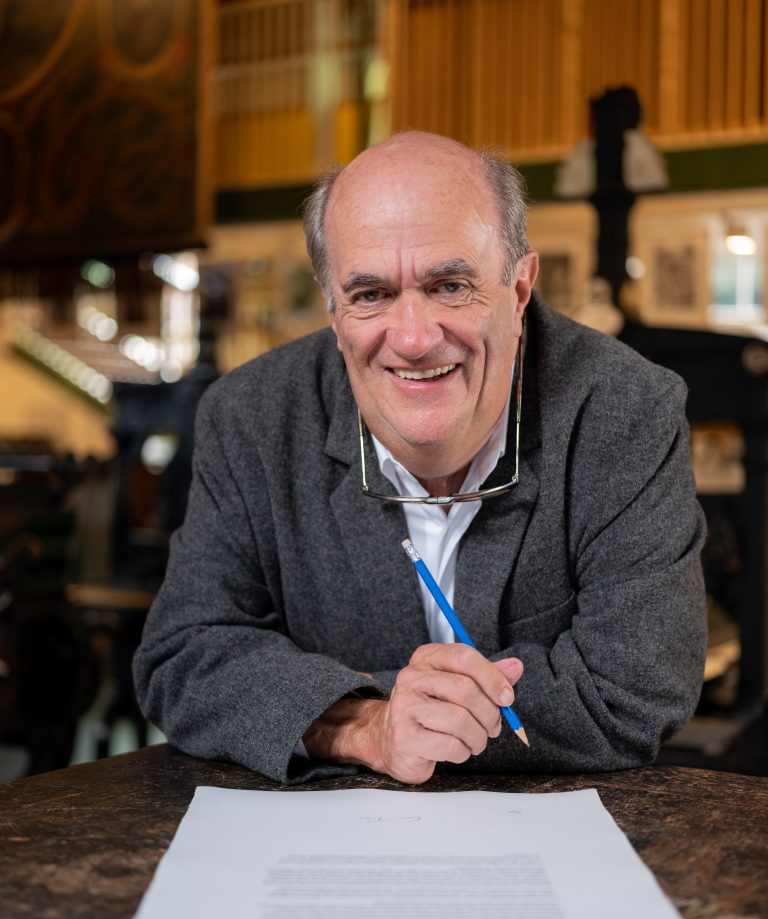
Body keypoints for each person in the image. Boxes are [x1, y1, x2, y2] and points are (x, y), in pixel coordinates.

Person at [134, 131, 706, 785]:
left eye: (450, 286)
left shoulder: (625, 410)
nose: (412, 338)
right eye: (371, 294)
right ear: (332, 308)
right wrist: (365, 725)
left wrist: (380, 708)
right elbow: (181, 655)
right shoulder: (251, 418)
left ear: (520, 290)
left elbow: (638, 686)